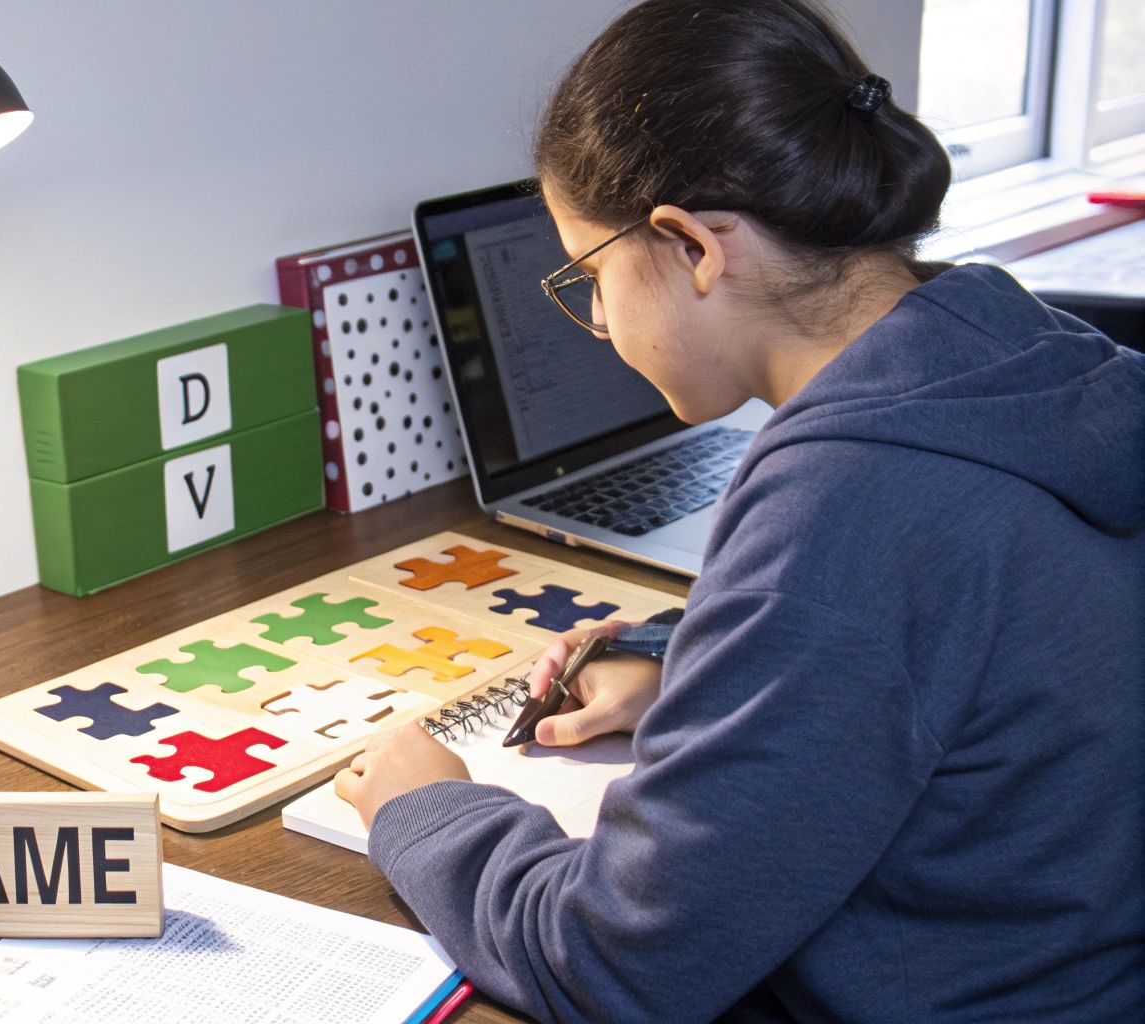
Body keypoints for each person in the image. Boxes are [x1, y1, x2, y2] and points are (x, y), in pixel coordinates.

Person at [333, 1, 1145, 1020]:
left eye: (589, 276)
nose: (594, 321)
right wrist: (686, 655)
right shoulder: (1028, 359)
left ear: (688, 247)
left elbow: (617, 964)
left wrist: (425, 810)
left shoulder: (845, 504)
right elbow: (975, 643)